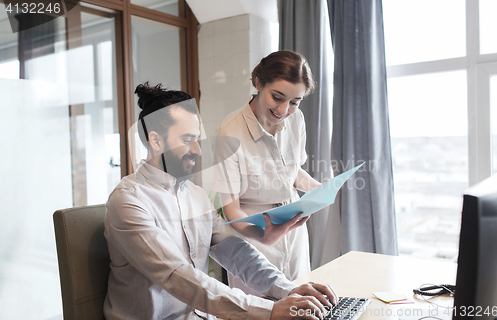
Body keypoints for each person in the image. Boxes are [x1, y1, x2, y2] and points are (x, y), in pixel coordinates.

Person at [103, 82, 337, 320]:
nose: (197, 150)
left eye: (197, 139)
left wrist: (288, 288)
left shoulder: (195, 196)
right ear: (155, 141)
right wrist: (271, 310)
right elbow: (177, 276)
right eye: (187, 139)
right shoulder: (128, 201)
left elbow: (236, 252)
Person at [212, 50, 323, 295]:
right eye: (278, 97)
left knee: (303, 305)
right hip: (253, 242)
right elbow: (231, 209)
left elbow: (292, 173)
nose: (284, 109)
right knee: (261, 311)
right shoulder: (229, 133)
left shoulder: (297, 120)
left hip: (294, 239)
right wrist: (262, 236)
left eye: (295, 102)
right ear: (259, 83)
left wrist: (318, 189)